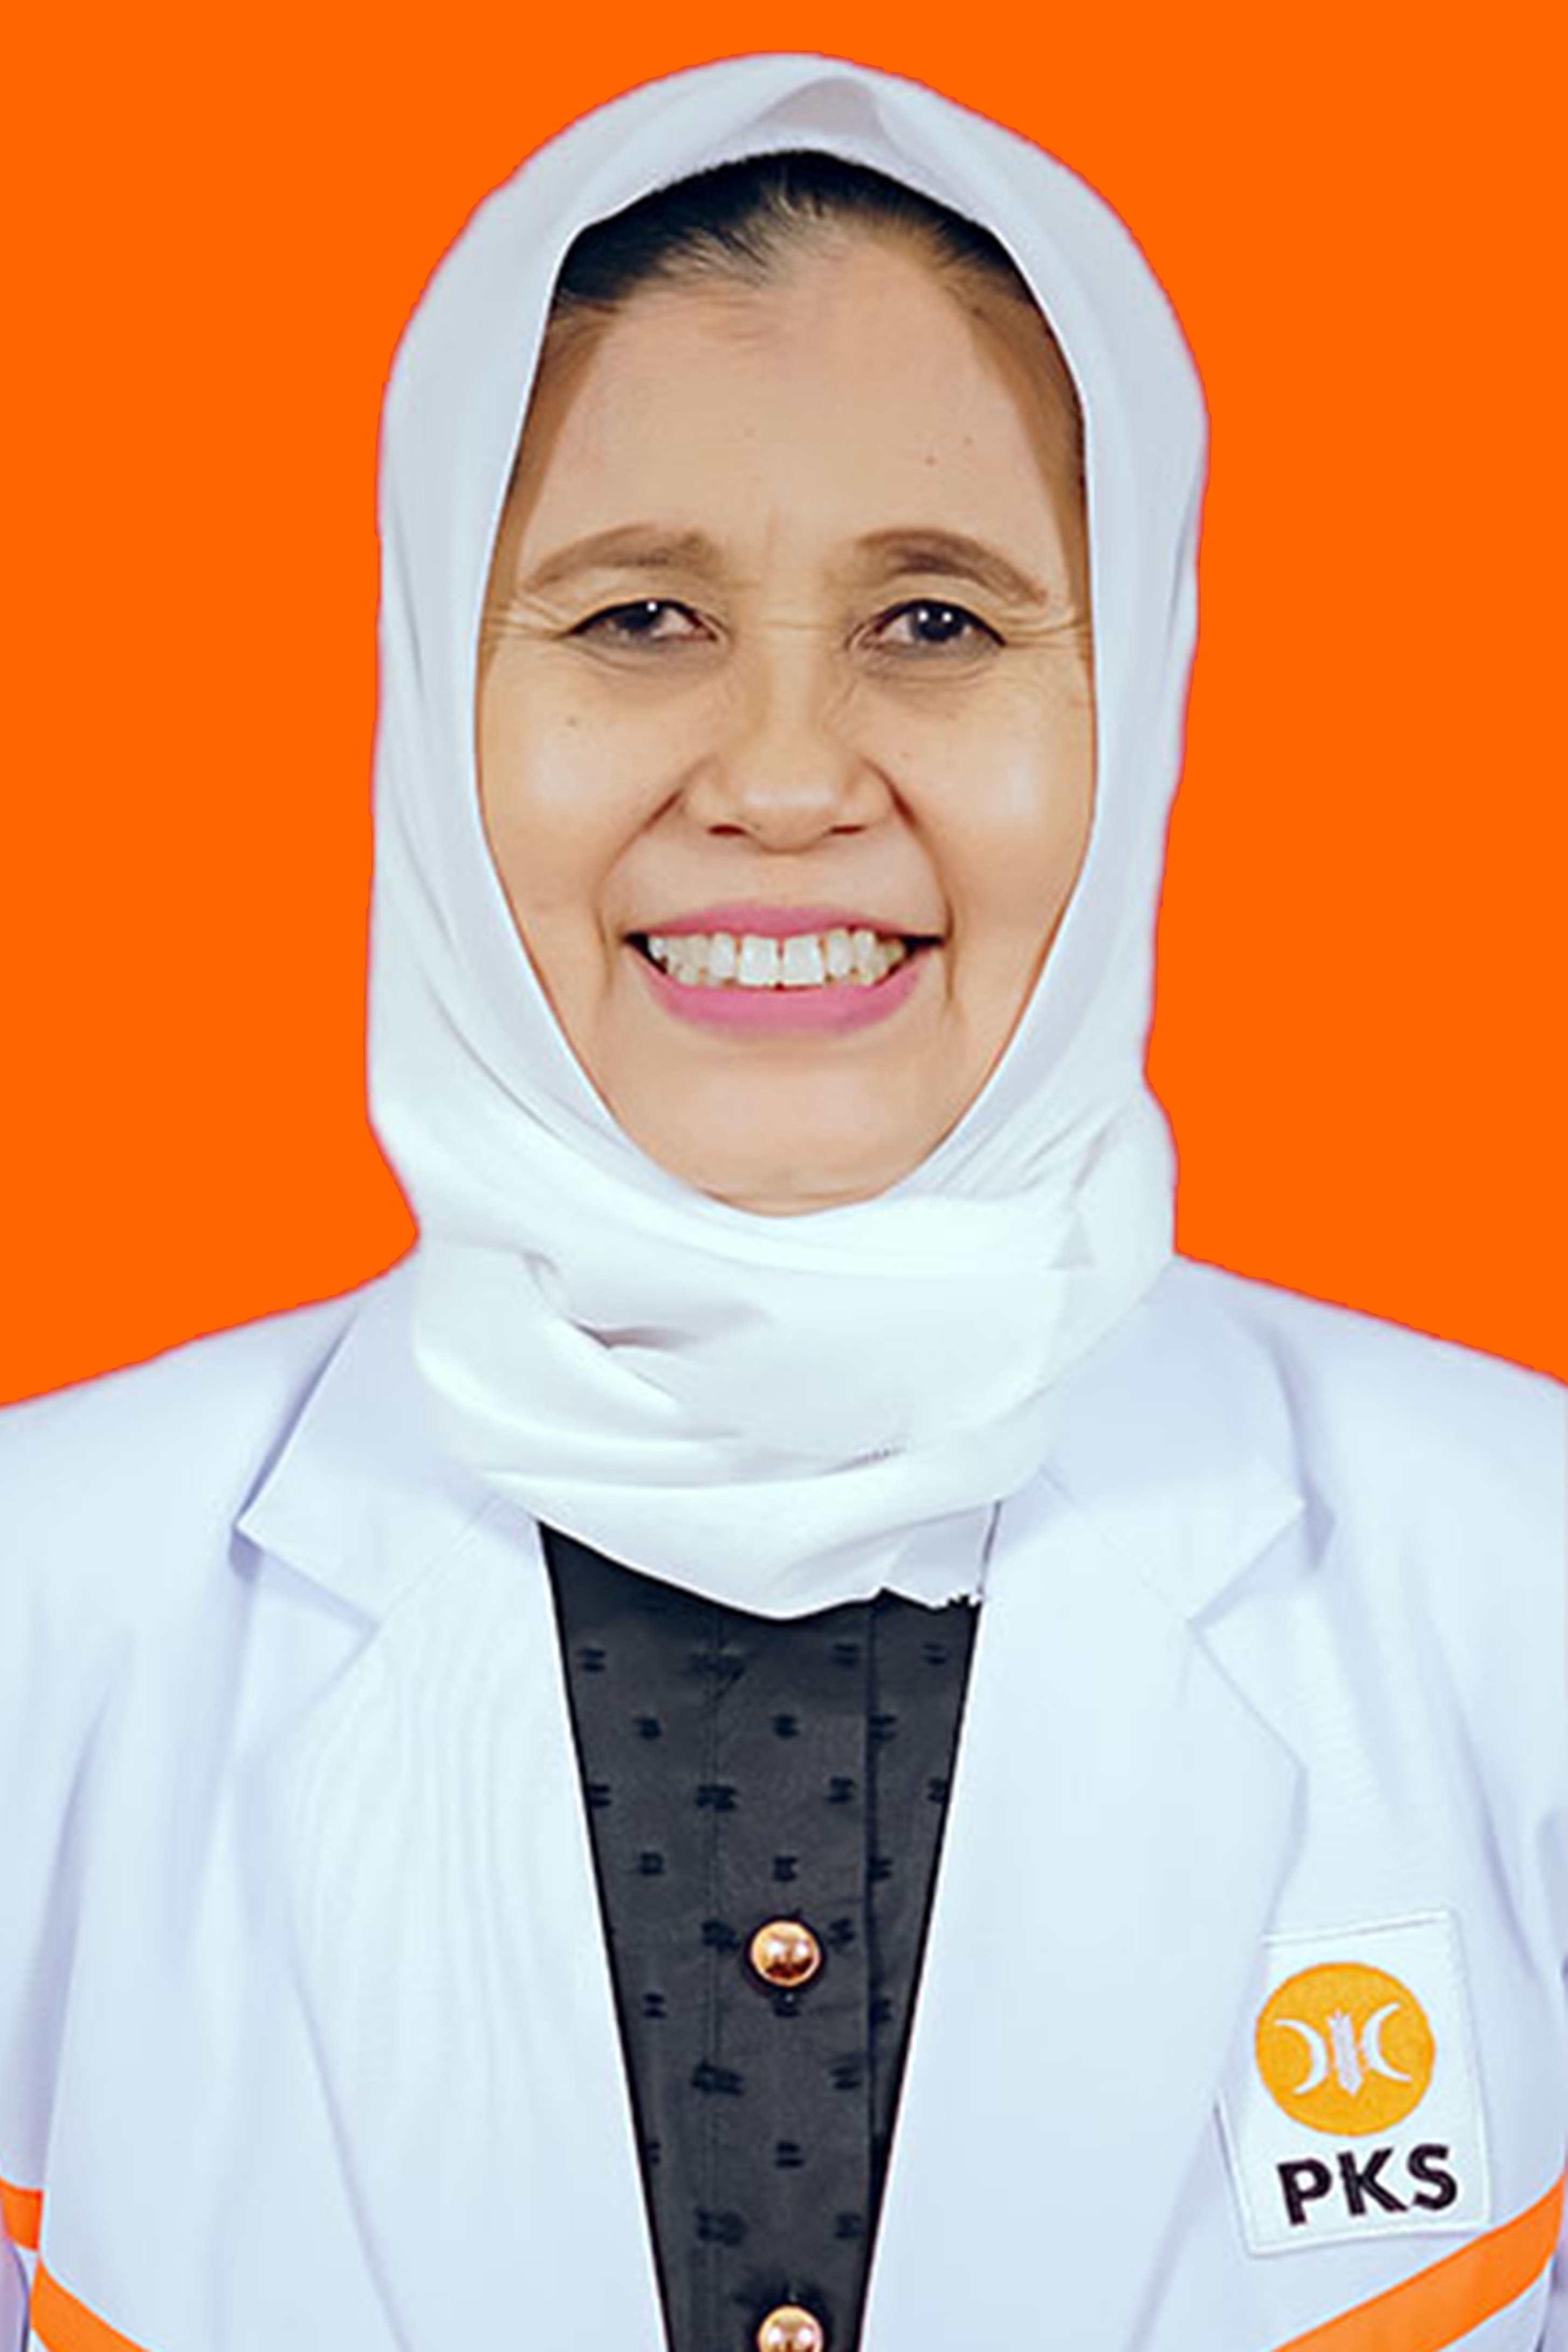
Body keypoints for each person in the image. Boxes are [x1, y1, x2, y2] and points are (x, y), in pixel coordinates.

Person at [1, 51, 1563, 2352]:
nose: (785, 778)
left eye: (936, 620)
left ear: (1133, 701)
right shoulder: (44, 1610)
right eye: (639, 617)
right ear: (432, 693)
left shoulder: (1525, 1584)